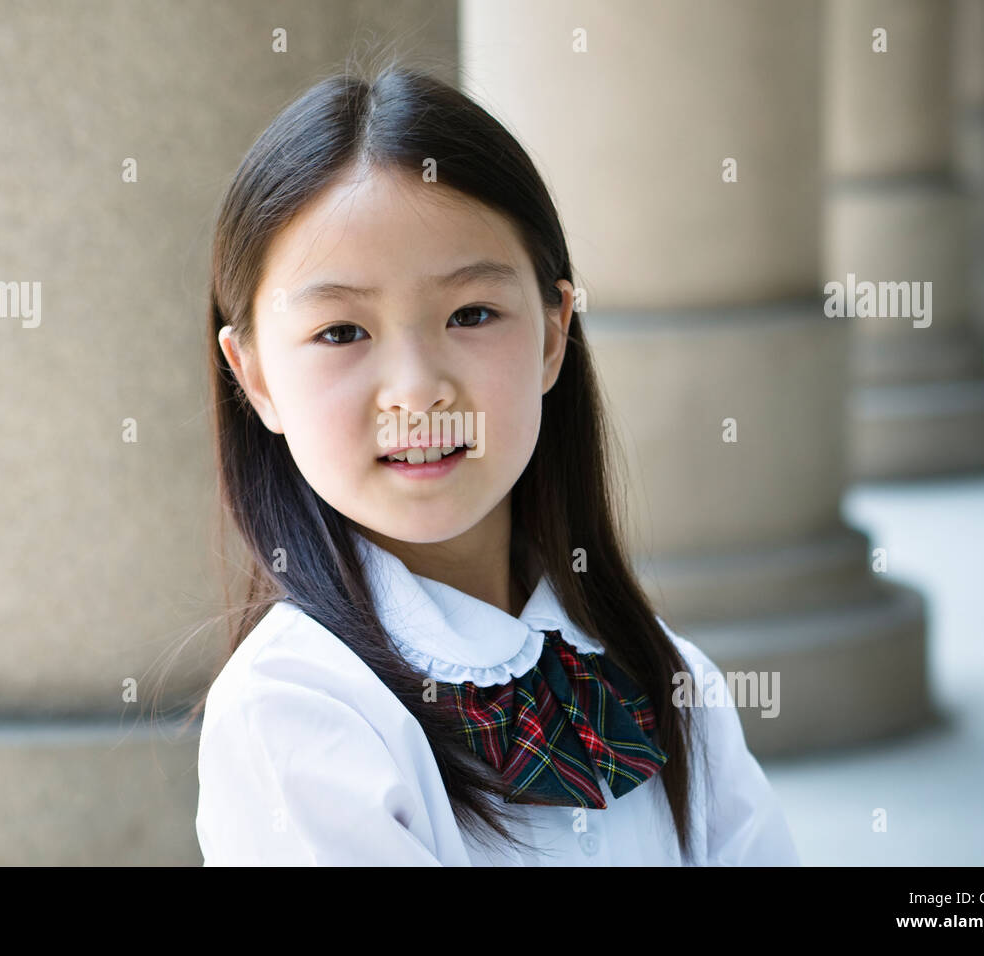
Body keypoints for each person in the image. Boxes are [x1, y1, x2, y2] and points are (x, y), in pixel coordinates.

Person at [194, 58, 799, 866]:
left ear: (554, 333)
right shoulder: (294, 709)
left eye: (471, 313)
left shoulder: (664, 673)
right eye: (342, 332)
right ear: (256, 376)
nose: (416, 393)